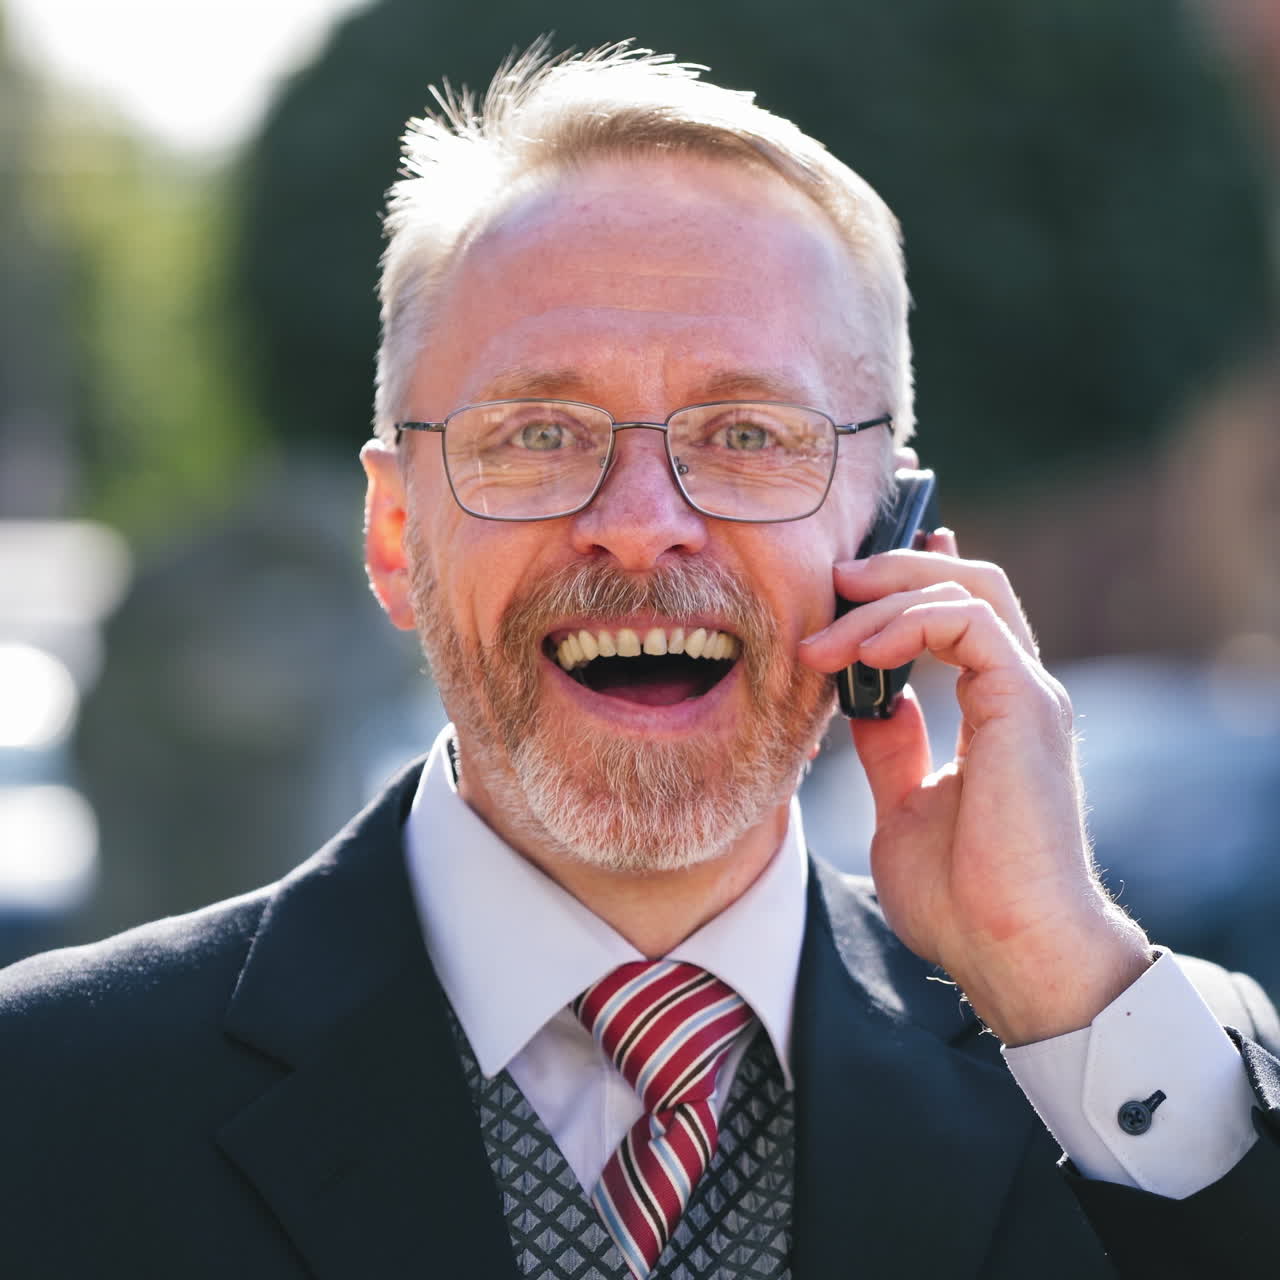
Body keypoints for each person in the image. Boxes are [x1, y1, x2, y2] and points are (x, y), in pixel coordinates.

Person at [2, 42, 1277, 1280]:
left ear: (889, 533)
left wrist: (1060, 980)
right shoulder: (45, 1095)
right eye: (538, 431)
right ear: (395, 537)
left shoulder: (1121, 1082)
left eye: (744, 433)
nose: (640, 517)